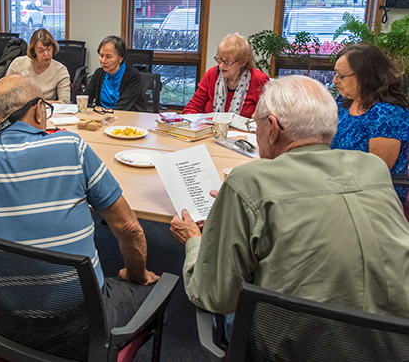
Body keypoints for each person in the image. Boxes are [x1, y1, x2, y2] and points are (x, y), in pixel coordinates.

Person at [170, 75, 409, 323]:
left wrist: (194, 241)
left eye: (256, 125)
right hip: (394, 343)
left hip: (290, 344)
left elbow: (214, 296)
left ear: (272, 129)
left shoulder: (249, 181)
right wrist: (245, 207)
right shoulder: (373, 169)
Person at [0, 75, 159, 329]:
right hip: (78, 324)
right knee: (151, 289)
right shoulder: (71, 146)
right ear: (39, 111)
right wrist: (136, 274)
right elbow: (129, 228)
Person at [331, 43, 409, 202]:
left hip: (372, 196)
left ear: (365, 75)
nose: (334, 81)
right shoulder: (342, 103)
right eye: (335, 74)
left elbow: (375, 171)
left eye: (341, 76)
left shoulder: (387, 113)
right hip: (339, 185)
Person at [183, 33, 269, 118]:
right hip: (211, 130)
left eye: (228, 62)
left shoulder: (259, 80)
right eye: (220, 59)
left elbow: (269, 118)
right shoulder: (211, 75)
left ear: (243, 62)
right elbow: (192, 108)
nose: (221, 66)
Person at [6, 29, 70, 103]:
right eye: (41, 51)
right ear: (33, 51)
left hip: (47, 110)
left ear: (53, 48)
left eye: (49, 49)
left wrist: (38, 104)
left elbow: (65, 102)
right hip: (21, 109)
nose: (46, 54)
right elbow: (6, 93)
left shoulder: (60, 70)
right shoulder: (18, 64)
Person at [85, 35, 145, 111]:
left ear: (121, 58)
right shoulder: (99, 73)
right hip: (102, 117)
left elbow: (123, 107)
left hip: (126, 118)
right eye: (101, 55)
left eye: (109, 57)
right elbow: (85, 99)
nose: (103, 61)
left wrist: (102, 111)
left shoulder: (132, 76)